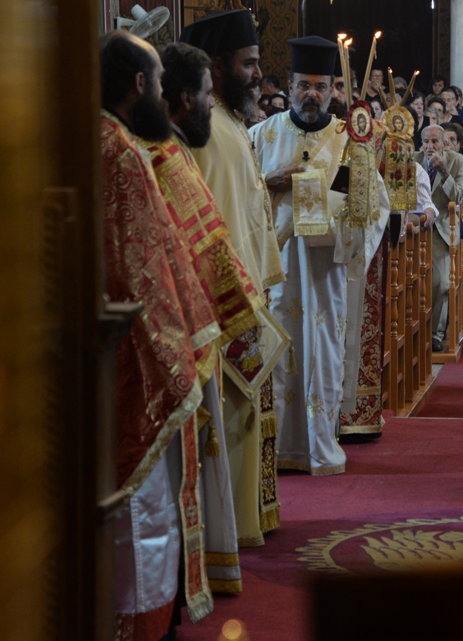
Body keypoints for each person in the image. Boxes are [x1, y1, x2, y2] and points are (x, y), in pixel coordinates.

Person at [100, 30, 219, 638]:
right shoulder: (121, 151)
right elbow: (149, 269)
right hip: (131, 357)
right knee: (140, 512)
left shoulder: (96, 139)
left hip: (100, 355)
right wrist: (182, 356)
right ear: (141, 84)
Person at [149, 41, 268, 597]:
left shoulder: (189, 141)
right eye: (204, 93)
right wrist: (241, 306)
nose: (210, 103)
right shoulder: (167, 153)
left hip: (210, 311)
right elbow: (199, 242)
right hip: (194, 321)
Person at [249, 35, 390, 475]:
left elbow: (374, 207)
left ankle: (319, 444)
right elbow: (237, 196)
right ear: (289, 87)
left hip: (326, 270)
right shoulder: (261, 136)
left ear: (333, 91)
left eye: (320, 86)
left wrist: (341, 230)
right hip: (276, 270)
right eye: (303, 85)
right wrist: (269, 184)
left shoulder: (350, 142)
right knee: (276, 352)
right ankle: (275, 446)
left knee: (323, 354)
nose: (311, 94)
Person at [181, 8, 286, 546]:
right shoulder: (203, 132)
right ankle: (229, 530)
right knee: (229, 417)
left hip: (247, 294)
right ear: (217, 67)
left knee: (247, 413)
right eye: (248, 64)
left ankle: (248, 520)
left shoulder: (230, 124)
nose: (258, 75)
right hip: (223, 301)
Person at [414, 124, 463, 352]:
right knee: (414, 280)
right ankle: (414, 329)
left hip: (442, 228)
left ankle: (435, 333)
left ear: (444, 144)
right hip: (416, 226)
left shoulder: (457, 161)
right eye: (426, 141)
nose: (430, 146)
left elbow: (460, 198)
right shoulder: (413, 160)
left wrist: (445, 173)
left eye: (435, 142)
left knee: (441, 282)